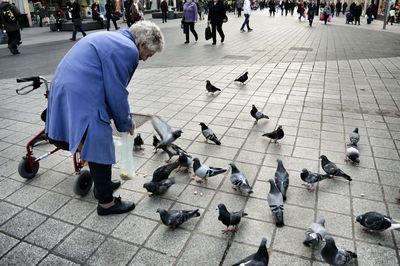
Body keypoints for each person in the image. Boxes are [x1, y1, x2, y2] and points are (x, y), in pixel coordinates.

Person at [45, 21, 164, 216]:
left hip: (65, 86)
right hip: (80, 92)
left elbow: (107, 83)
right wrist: (126, 122)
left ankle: (103, 185)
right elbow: (116, 91)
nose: (146, 59)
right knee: (98, 141)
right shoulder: (128, 51)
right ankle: (106, 203)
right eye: (148, 54)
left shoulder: (115, 38)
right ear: (141, 44)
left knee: (95, 139)